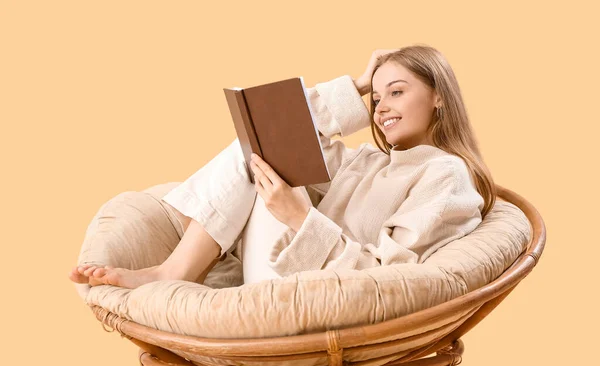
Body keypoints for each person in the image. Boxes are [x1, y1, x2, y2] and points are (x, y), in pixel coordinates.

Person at [68, 44, 495, 289]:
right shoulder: (371, 163)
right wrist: (357, 85)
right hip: (283, 272)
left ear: (439, 95)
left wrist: (298, 217)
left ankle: (175, 270)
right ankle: (182, 267)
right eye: (377, 98)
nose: (381, 108)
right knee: (259, 143)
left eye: (397, 92)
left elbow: (390, 281)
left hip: (310, 292)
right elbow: (282, 126)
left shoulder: (445, 177)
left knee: (260, 152)